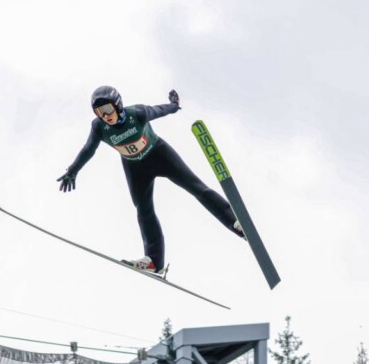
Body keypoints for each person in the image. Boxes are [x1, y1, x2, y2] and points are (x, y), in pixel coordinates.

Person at [57, 85, 245, 274]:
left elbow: (160, 110)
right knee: (143, 210)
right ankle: (154, 260)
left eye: (107, 109)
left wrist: (174, 105)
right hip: (135, 168)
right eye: (99, 112)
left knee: (196, 188)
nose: (105, 116)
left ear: (118, 105)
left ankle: (236, 223)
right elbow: (88, 149)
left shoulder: (137, 113)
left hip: (160, 155)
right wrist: (73, 171)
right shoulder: (99, 127)